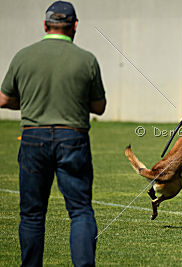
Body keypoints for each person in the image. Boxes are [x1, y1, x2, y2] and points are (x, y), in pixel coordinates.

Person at [0, 1, 106, 265]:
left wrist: (29, 103)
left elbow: (4, 99)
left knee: (32, 214)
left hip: (33, 138)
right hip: (73, 137)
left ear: (45, 25)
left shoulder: (23, 56)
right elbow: (99, 107)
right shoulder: (86, 59)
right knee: (80, 211)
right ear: (74, 27)